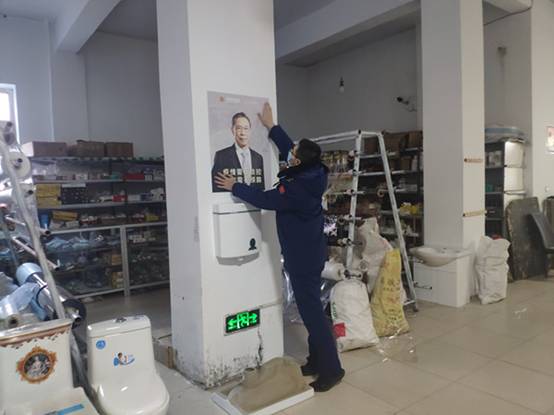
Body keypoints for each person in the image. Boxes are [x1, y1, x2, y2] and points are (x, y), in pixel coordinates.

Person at [215, 103, 345, 392]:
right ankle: (316, 360)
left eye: (294, 153)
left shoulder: (296, 189)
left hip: (302, 258)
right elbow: (289, 150)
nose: (290, 153)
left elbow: (265, 199)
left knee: (313, 314)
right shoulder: (314, 171)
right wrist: (272, 127)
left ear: (298, 161)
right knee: (312, 309)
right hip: (311, 252)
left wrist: (235, 186)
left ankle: (332, 370)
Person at [211, 112, 265, 192]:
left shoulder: (258, 158)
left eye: (246, 128)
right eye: (239, 128)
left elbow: (261, 188)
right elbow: (216, 187)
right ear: (233, 130)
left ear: (250, 131)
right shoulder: (221, 156)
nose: (243, 133)